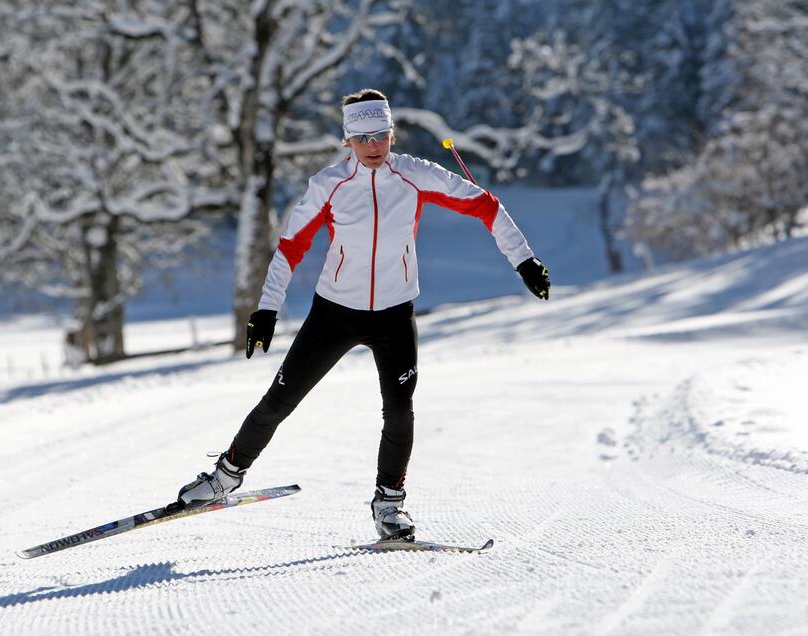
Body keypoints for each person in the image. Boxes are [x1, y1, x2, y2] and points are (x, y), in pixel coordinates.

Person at [177, 88, 550, 540]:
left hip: (394, 314)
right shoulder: (328, 185)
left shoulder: (416, 175)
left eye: (380, 135)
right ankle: (224, 478)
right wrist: (266, 310)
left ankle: (389, 506)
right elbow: (291, 248)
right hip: (334, 312)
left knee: (399, 411)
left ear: (392, 135)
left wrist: (524, 260)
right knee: (279, 400)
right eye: (361, 137)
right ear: (347, 141)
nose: (373, 146)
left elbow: (485, 206)